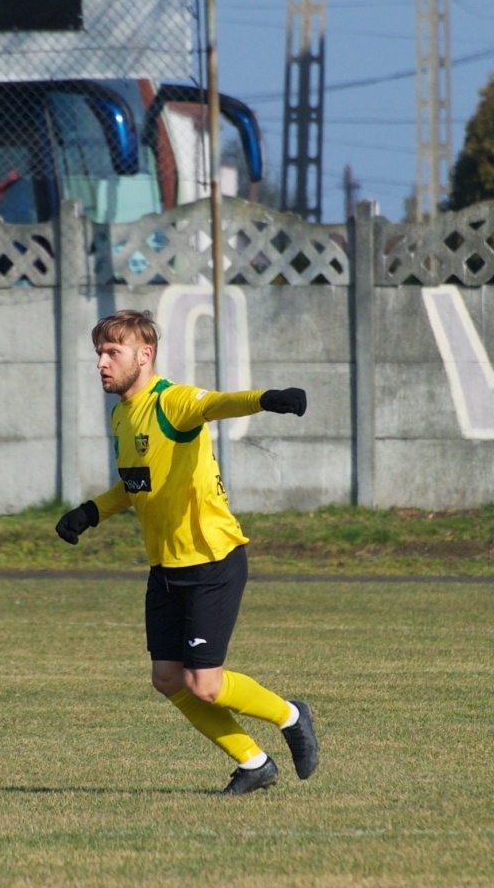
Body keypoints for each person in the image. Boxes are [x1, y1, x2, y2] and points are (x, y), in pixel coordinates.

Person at [55, 309, 318, 795]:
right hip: (166, 569)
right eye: (99, 353)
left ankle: (290, 714)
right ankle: (253, 761)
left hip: (211, 561)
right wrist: (90, 513)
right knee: (168, 678)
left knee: (206, 685)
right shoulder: (120, 416)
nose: (102, 363)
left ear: (144, 354)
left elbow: (219, 403)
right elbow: (137, 486)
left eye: (112, 352)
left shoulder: (171, 402)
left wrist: (267, 400)